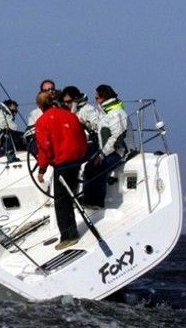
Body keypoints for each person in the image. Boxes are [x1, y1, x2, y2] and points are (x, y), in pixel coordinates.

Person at [35, 92, 88, 251]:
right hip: (77, 160)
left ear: (40, 106)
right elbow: (81, 137)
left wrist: (42, 169)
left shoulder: (43, 121)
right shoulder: (70, 115)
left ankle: (69, 236)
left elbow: (45, 148)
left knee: (61, 201)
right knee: (70, 196)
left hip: (62, 163)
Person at [82, 84, 129, 209]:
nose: (95, 100)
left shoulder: (117, 113)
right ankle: (88, 200)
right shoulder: (105, 112)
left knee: (100, 168)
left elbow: (116, 138)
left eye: (96, 98)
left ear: (103, 98)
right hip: (104, 151)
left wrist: (103, 154)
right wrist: (86, 124)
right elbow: (100, 128)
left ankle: (97, 202)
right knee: (88, 167)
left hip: (117, 153)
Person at [60, 86, 100, 156]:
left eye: (68, 101)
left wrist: (85, 124)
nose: (66, 104)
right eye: (64, 102)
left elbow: (98, 127)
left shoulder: (88, 109)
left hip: (90, 146)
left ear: (75, 99)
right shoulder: (68, 111)